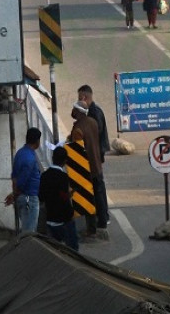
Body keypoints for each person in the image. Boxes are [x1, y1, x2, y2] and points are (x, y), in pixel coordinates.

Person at [78, 85, 110, 234]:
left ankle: (102, 219)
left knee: (98, 188)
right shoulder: (95, 111)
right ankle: (102, 217)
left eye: (79, 98)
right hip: (96, 155)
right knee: (98, 187)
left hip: (94, 156)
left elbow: (95, 135)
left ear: (84, 97)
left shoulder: (93, 113)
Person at [70, 102, 104, 239]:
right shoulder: (93, 122)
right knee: (98, 196)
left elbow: (77, 150)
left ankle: (91, 229)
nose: (72, 111)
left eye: (74, 109)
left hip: (86, 168)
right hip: (97, 165)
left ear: (78, 111)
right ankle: (102, 222)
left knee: (88, 199)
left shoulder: (78, 129)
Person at [39, 145, 78, 250]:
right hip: (63, 219)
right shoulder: (63, 177)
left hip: (50, 218)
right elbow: (63, 198)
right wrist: (70, 194)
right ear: (65, 161)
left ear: (52, 158)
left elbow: (41, 197)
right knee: (72, 249)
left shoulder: (44, 176)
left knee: (53, 250)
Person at [4, 127, 42, 233]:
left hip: (22, 197)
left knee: (27, 229)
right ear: (37, 141)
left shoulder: (20, 153)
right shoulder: (29, 157)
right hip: (29, 197)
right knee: (29, 233)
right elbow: (23, 180)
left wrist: (14, 194)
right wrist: (14, 194)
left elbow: (14, 177)